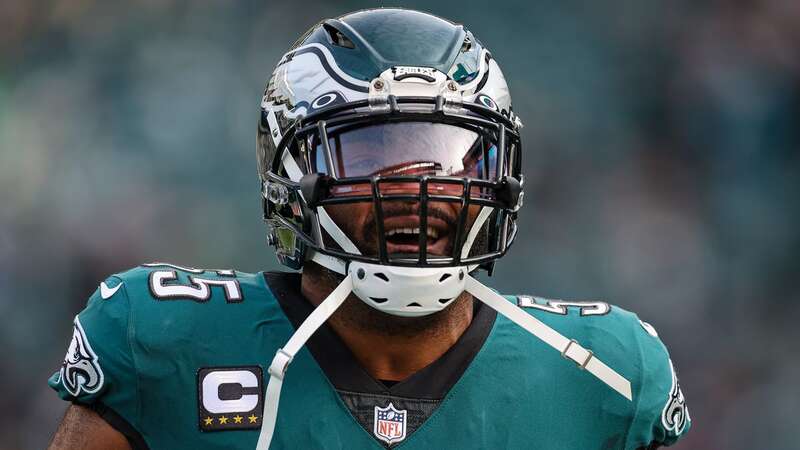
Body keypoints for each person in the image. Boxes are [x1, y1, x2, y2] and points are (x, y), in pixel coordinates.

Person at [47, 8, 691, 450]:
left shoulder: (605, 374)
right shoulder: (159, 338)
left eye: (449, 159)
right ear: (289, 175)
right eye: (372, 155)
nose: (415, 190)